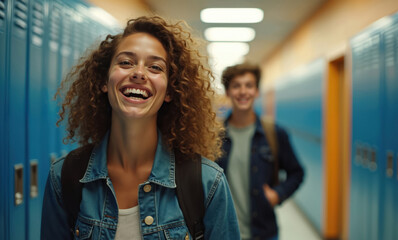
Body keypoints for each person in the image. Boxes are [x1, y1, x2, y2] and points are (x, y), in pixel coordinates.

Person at [41, 16, 240, 239]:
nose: (139, 73)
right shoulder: (65, 177)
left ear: (170, 91)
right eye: (126, 62)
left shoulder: (207, 183)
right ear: (103, 81)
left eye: (155, 67)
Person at [217, 63, 304, 240]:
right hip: (222, 232)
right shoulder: (214, 136)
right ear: (227, 92)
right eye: (236, 86)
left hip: (264, 232)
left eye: (249, 85)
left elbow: (297, 172)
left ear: (256, 91)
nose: (243, 91)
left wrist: (277, 194)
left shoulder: (273, 133)